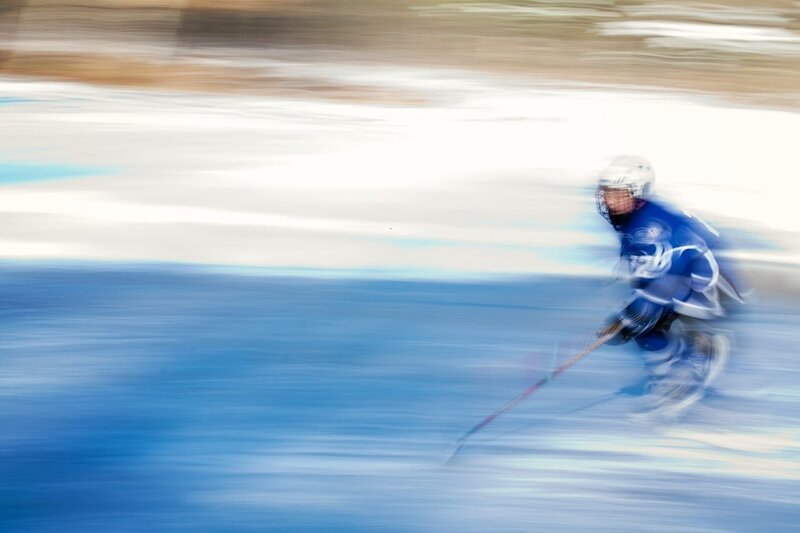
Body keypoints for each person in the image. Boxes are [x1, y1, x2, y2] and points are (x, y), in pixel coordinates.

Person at [595, 155, 746, 415]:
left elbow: (676, 269)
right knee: (641, 323)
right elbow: (648, 274)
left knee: (643, 321)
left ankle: (700, 355)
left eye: (618, 193)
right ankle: (673, 373)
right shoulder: (634, 217)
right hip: (684, 278)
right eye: (608, 192)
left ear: (637, 193)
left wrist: (632, 315)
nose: (610, 199)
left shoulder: (651, 226)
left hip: (712, 283)